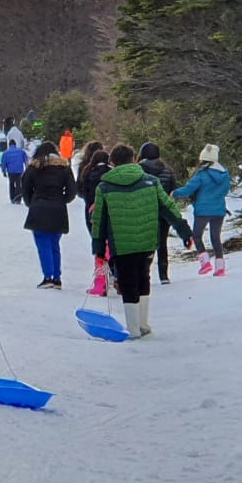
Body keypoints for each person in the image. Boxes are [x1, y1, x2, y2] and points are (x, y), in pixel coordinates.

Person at [92, 144, 187, 339]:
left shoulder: (104, 187)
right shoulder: (151, 182)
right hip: (147, 241)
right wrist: (185, 232)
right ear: (134, 159)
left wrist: (99, 249)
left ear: (112, 163)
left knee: (128, 283)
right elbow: (168, 207)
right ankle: (143, 324)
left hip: (121, 243)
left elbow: (99, 220)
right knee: (144, 277)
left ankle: (133, 329)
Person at [20, 142, 77, 289]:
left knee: (42, 242)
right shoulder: (64, 168)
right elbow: (72, 192)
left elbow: (25, 189)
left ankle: (48, 276)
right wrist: (61, 200)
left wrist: (32, 202)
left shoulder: (34, 168)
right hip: (58, 209)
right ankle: (57, 277)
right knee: (54, 243)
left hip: (39, 207)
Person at [137, 142, 193, 285]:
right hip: (164, 212)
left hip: (144, 211)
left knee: (145, 243)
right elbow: (172, 191)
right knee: (162, 242)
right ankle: (164, 275)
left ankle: (144, 273)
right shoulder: (167, 171)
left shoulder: (138, 170)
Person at [173, 144, 232, 277]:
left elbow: (188, 190)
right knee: (216, 238)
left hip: (203, 211)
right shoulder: (224, 174)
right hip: (219, 210)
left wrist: (174, 193)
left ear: (203, 160)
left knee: (197, 235)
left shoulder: (201, 174)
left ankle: (205, 263)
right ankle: (220, 268)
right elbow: (226, 190)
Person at [78, 149, 112, 296]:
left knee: (98, 245)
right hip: (112, 213)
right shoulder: (112, 172)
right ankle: (116, 277)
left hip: (93, 212)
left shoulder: (88, 173)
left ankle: (100, 282)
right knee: (111, 245)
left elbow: (82, 193)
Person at [1, 139, 27, 204]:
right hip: (19, 171)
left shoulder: (5, 153)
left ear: (9, 145)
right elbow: (26, 160)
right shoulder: (21, 151)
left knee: (11, 184)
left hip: (11, 171)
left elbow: (3, 163)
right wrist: (27, 168)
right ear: (15, 144)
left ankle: (12, 198)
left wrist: (4, 171)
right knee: (19, 184)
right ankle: (18, 199)